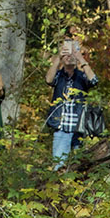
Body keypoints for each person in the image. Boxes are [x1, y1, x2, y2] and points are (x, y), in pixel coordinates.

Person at [45, 38, 98, 169]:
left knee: (80, 168)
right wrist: (59, 58)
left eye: (71, 53)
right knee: (58, 167)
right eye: (66, 52)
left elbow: (94, 80)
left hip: (79, 130)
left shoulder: (82, 76)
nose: (69, 56)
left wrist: (80, 58)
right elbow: (48, 80)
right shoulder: (58, 76)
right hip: (61, 128)